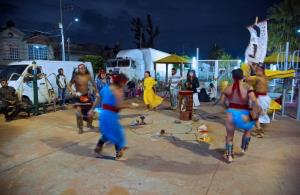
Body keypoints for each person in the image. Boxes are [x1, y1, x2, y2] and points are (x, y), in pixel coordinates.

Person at [221, 69, 260, 163]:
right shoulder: (247, 87)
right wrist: (255, 112)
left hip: (231, 114)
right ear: (242, 77)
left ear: (232, 77)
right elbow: (254, 100)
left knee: (229, 136)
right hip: (244, 114)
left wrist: (228, 107)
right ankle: (243, 148)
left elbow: (222, 102)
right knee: (247, 131)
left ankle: (229, 156)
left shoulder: (228, 88)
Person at [94, 73, 129, 160]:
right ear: (121, 82)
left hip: (103, 115)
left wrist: (92, 109)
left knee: (107, 135)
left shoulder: (106, 88)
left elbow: (98, 97)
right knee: (117, 133)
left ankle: (97, 150)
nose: (125, 84)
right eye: (124, 82)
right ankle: (118, 154)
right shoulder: (118, 91)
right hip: (110, 116)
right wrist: (129, 105)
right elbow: (118, 107)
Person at [67, 64, 99, 134]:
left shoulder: (88, 76)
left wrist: (96, 92)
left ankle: (89, 124)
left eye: (84, 68)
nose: (83, 69)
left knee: (90, 113)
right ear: (78, 70)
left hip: (86, 97)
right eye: (81, 68)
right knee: (79, 113)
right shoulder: (75, 77)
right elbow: (68, 86)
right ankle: (80, 128)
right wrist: (72, 92)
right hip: (78, 97)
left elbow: (94, 84)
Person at [246, 64, 271, 138]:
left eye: (258, 70)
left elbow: (247, 80)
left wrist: (249, 72)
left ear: (262, 70)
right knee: (255, 115)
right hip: (264, 98)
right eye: (256, 70)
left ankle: (260, 131)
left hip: (261, 99)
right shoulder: (265, 77)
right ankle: (259, 130)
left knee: (255, 115)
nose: (257, 71)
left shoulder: (258, 78)